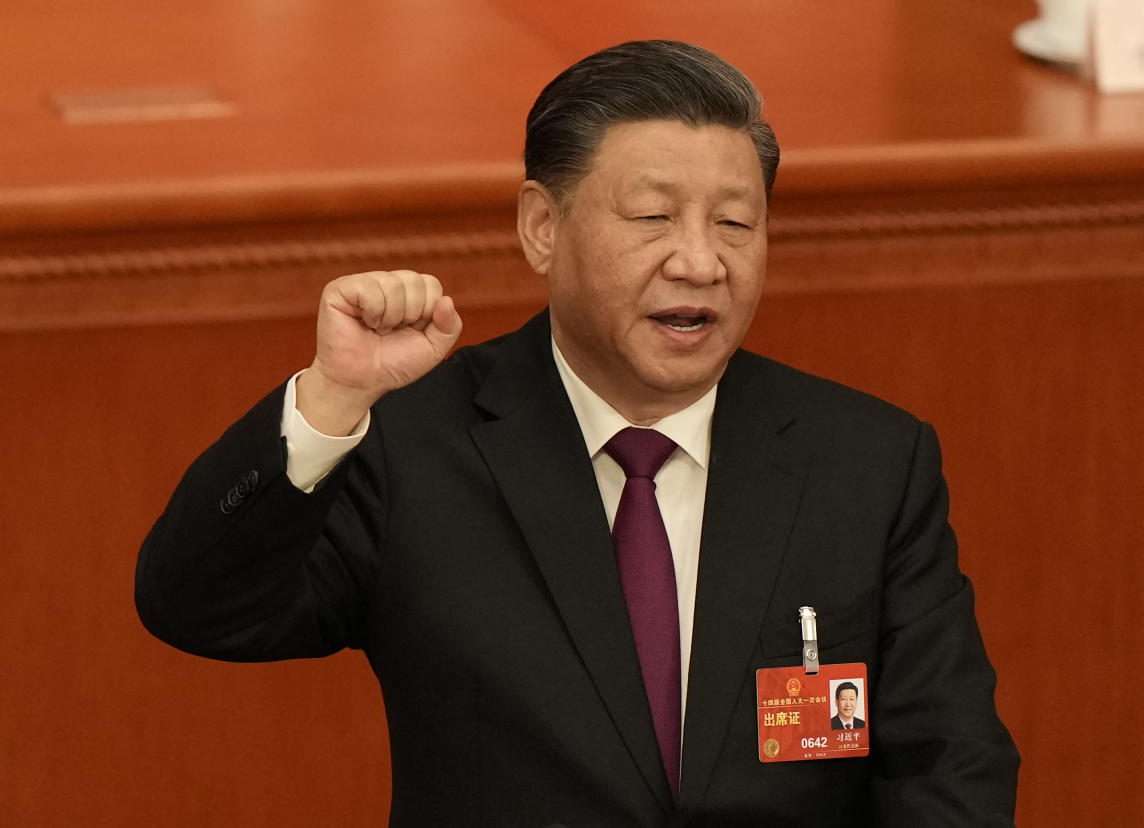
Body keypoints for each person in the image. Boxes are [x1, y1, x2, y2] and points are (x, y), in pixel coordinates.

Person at [136, 39, 1019, 826]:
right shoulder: (417, 447)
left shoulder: (865, 461)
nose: (700, 261)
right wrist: (330, 400)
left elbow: (950, 762)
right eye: (652, 217)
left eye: (736, 223)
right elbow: (199, 607)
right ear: (542, 228)